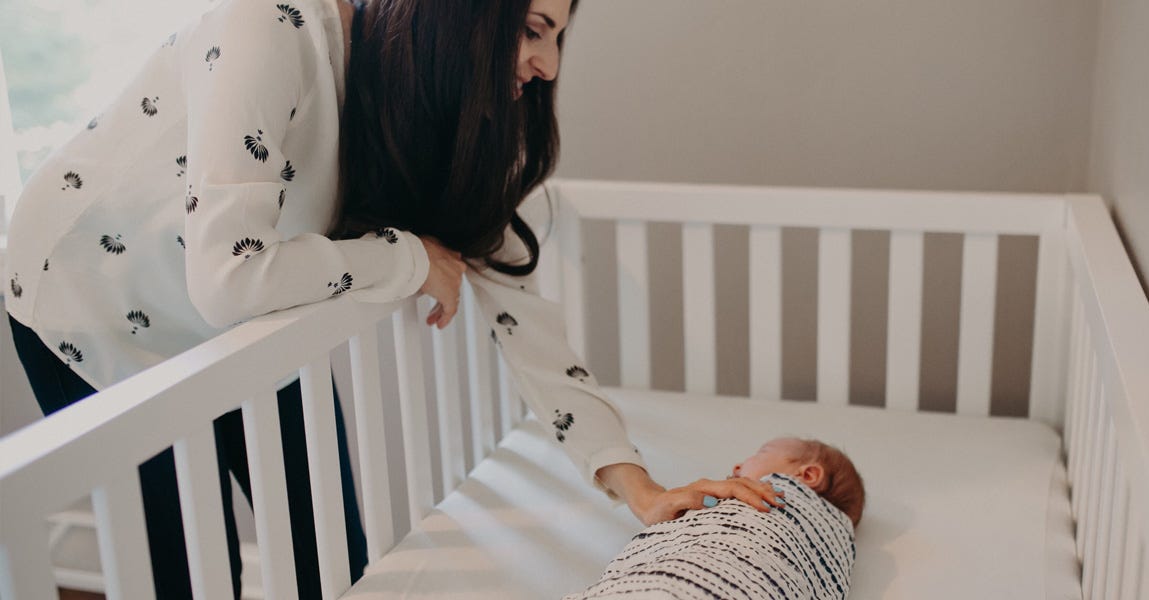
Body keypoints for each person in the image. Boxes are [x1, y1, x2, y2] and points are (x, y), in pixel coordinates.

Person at [3, 0, 785, 597]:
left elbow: (517, 304)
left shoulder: (416, 106)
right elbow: (229, 275)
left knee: (339, 556)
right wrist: (405, 258)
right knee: (173, 565)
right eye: (536, 28)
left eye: (559, 39)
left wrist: (636, 485)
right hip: (84, 301)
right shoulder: (268, 29)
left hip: (240, 326)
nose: (547, 65)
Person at [564, 437, 866, 600]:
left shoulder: (779, 494)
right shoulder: (841, 550)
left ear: (807, 475)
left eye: (761, 451)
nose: (737, 465)